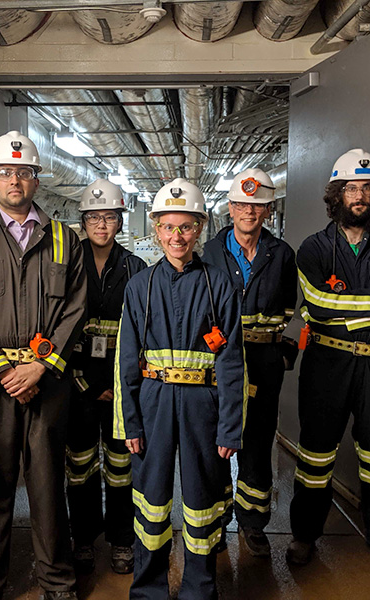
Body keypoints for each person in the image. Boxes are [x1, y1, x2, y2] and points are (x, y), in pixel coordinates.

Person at [0, 131, 87, 600]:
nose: (14, 181)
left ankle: (58, 581)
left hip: (46, 380)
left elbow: (75, 309)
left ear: (36, 180)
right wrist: (5, 372)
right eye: (4, 173)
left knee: (48, 486)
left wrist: (41, 367)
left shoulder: (67, 241)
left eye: (23, 172)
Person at [115, 178, 246, 600]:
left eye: (186, 227)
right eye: (168, 227)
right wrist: (128, 423)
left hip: (201, 406)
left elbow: (231, 361)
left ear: (200, 229)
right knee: (150, 501)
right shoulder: (139, 286)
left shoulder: (219, 285)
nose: (177, 237)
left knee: (202, 500)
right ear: (156, 229)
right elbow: (126, 361)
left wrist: (230, 428)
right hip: (152, 404)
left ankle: (199, 589)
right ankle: (149, 589)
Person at [286, 149, 370, 573]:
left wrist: (348, 312)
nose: (359, 195)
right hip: (328, 365)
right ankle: (305, 535)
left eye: (367, 187)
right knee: (316, 454)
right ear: (336, 194)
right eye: (351, 188)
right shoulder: (313, 248)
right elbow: (319, 306)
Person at [202, 168, 297, 557]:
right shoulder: (210, 252)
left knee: (258, 444)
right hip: (220, 362)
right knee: (216, 442)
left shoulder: (282, 254)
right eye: (242, 204)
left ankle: (253, 522)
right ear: (230, 207)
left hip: (264, 362)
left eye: (257, 205)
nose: (249, 211)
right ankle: (217, 520)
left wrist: (276, 348)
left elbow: (289, 304)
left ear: (269, 210)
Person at [66, 179, 146, 575]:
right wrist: (83, 382)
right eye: (94, 217)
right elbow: (55, 328)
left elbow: (142, 335)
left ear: (119, 220)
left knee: (120, 467)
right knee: (79, 466)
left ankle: (121, 540)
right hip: (75, 383)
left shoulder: (135, 268)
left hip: (120, 386)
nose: (102, 224)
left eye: (109, 216)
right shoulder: (64, 262)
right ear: (84, 220)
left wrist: (120, 385)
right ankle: (82, 538)